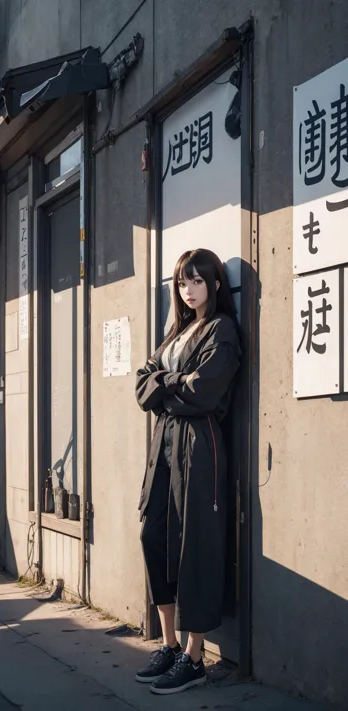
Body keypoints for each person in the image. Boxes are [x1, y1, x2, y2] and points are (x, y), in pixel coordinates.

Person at [134, 248, 241, 696]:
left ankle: (195, 656)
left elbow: (202, 391)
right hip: (164, 443)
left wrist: (166, 383)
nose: (189, 289)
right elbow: (142, 387)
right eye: (182, 283)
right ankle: (169, 642)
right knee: (153, 532)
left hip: (200, 444)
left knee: (195, 541)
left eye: (198, 281)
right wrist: (168, 383)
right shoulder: (175, 333)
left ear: (215, 284)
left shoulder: (222, 330)